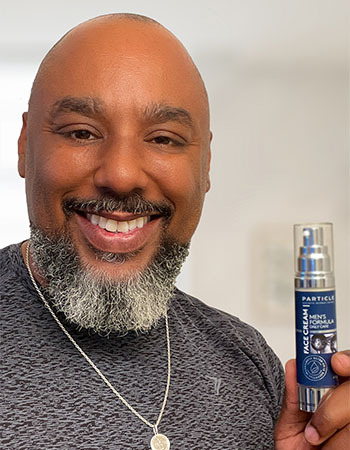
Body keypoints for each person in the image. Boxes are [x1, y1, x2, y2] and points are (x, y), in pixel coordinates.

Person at [1, 13, 349, 449]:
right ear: (24, 145)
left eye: (163, 139)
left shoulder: (246, 359)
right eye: (82, 132)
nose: (122, 174)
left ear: (205, 167)